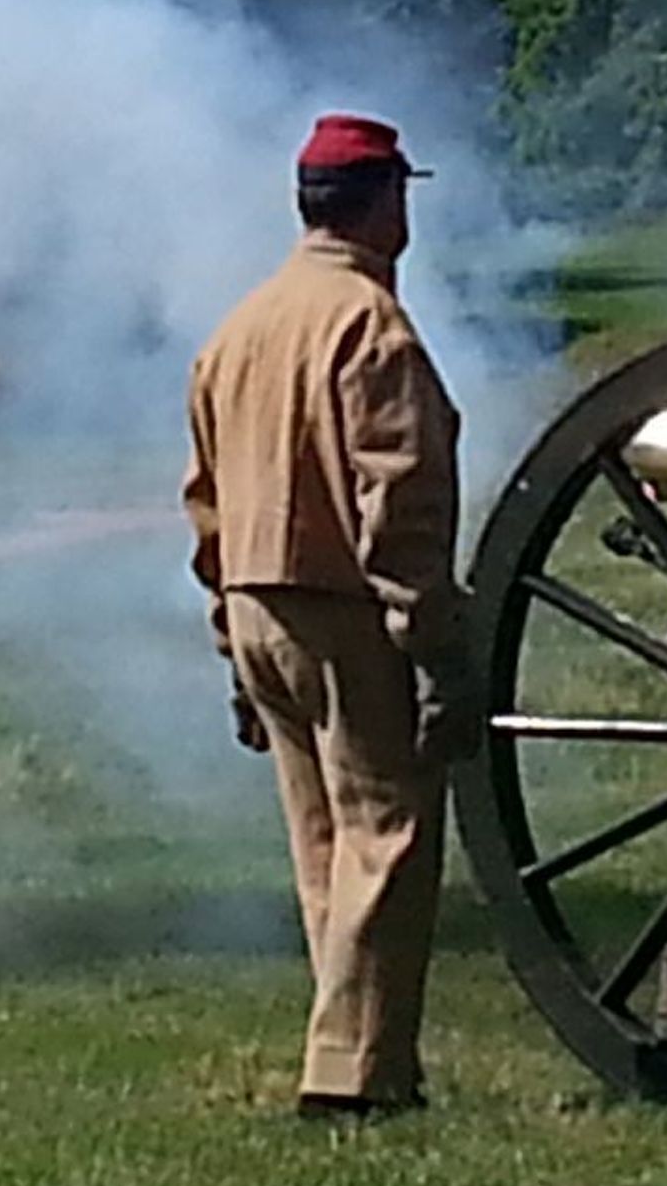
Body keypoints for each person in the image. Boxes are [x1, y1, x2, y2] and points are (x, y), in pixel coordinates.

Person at [182, 114, 472, 1120]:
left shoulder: (240, 327)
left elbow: (205, 497)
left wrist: (230, 636)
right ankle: (352, 1077)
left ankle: (360, 1049)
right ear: (386, 201)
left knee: (323, 847)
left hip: (256, 601)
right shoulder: (370, 326)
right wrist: (427, 635)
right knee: (387, 835)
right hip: (347, 606)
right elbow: (398, 494)